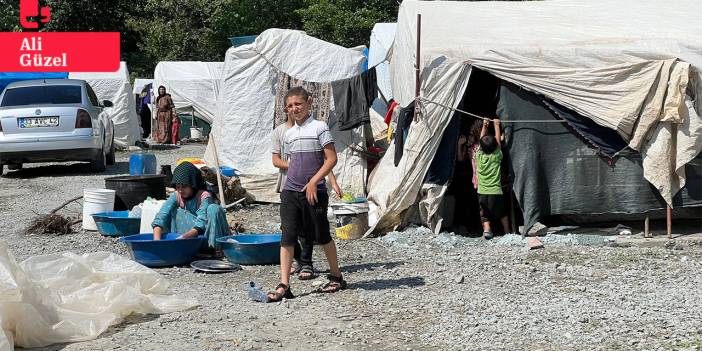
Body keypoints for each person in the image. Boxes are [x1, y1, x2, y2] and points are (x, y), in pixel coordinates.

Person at [267, 87, 346, 302]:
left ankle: (337, 276)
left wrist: (314, 182)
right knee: (288, 236)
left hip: (314, 191)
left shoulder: (320, 128)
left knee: (321, 236)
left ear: (309, 103)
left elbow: (331, 159)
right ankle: (284, 284)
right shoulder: (288, 134)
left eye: (298, 104)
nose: (295, 109)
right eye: (290, 106)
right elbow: (293, 164)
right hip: (290, 190)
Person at [152, 161, 231, 251]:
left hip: (203, 236)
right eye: (178, 187)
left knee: (214, 209)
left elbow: (201, 223)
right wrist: (156, 243)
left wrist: (184, 238)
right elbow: (161, 216)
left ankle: (216, 248)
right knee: (173, 210)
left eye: (184, 186)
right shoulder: (177, 195)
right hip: (186, 239)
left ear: (193, 185)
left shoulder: (203, 196)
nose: (181, 190)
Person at [476, 118, 509, 239]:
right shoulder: (496, 156)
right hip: (495, 191)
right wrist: (496, 125)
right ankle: (507, 231)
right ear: (495, 147)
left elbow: (481, 141)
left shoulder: (478, 156)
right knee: (502, 213)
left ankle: (487, 229)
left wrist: (485, 125)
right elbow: (499, 144)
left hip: (482, 192)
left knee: (484, 214)